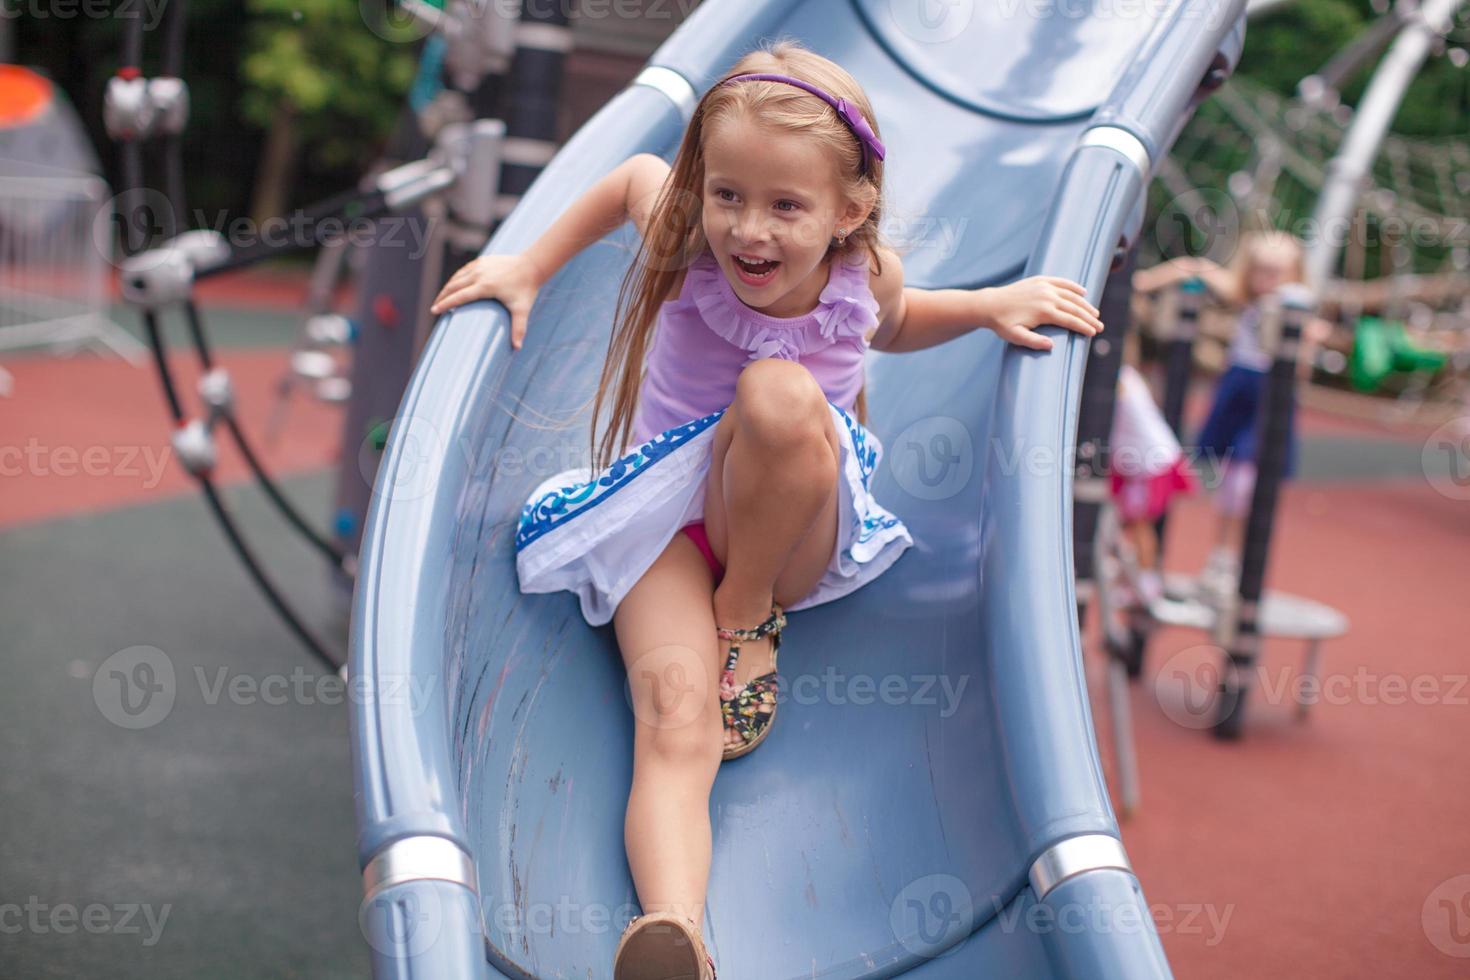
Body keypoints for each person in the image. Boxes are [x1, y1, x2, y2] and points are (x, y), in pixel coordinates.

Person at [429, 39, 1103, 980]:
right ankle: (677, 934)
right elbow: (627, 175)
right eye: (729, 195)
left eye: (787, 206)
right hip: (663, 524)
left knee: (781, 395)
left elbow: (899, 323)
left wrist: (992, 305)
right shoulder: (683, 238)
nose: (750, 230)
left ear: (849, 211)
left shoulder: (865, 278)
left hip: (787, 535)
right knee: (673, 716)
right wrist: (525, 269)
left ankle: (744, 612)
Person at [1132, 231, 1330, 602]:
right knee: (1229, 479)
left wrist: (1306, 340)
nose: (1268, 280)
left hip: (1268, 396)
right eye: (1261, 271)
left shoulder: (1293, 305)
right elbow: (1196, 268)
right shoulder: (1244, 296)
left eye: (1277, 272)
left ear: (1293, 274)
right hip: (1239, 389)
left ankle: (1232, 560)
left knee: (1245, 480)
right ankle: (1220, 559)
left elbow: (1302, 359)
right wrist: (1143, 281)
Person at [1109, 348, 1196, 607]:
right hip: (1142, 461)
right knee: (1130, 523)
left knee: (1139, 524)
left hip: (1149, 462)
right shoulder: (1127, 376)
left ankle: (1146, 585)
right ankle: (1134, 580)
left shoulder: (1120, 380)